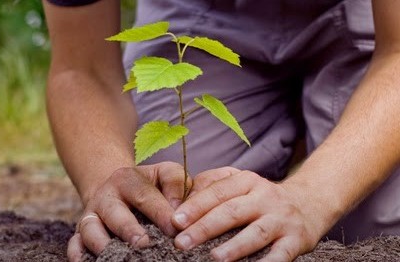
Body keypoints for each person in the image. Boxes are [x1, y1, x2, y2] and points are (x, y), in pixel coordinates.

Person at [42, 0, 400, 261]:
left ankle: (309, 128)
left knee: (374, 225)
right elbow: (81, 67)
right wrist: (106, 182)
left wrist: (312, 196)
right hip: (203, 14)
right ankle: (288, 124)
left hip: (367, 14)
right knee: (175, 209)